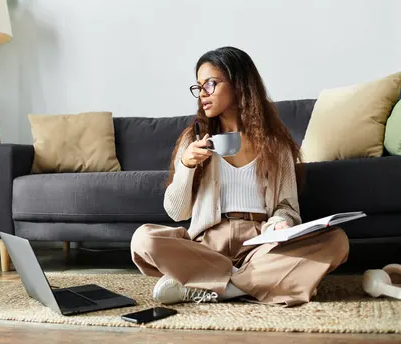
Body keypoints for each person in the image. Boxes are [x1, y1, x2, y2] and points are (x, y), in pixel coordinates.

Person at [130, 46, 349, 307]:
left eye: (210, 84)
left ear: (239, 84)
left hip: (260, 245)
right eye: (198, 87)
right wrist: (187, 167)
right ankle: (259, 283)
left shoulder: (276, 146)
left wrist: (280, 221)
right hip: (206, 246)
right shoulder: (195, 139)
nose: (202, 94)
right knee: (144, 239)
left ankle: (217, 286)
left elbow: (287, 207)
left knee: (337, 241)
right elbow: (176, 212)